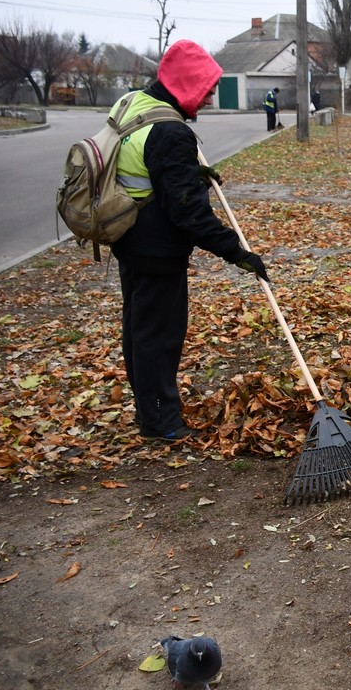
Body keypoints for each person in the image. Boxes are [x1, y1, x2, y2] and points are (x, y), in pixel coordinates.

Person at [110, 40, 270, 441]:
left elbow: (150, 167)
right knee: (158, 337)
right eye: (207, 87)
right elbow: (188, 213)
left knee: (139, 328)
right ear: (187, 83)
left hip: (128, 236)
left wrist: (188, 174)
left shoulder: (136, 104)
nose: (212, 94)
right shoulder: (170, 132)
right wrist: (236, 251)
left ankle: (151, 411)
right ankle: (161, 420)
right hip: (155, 248)